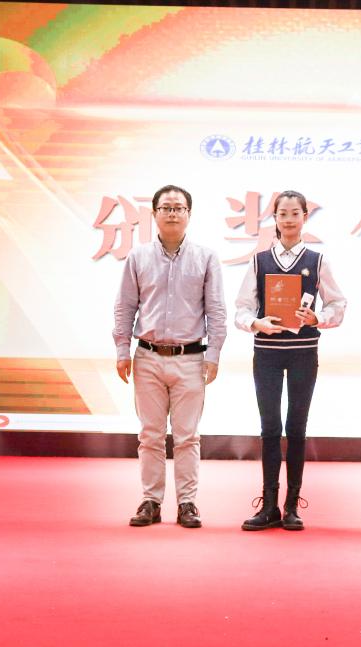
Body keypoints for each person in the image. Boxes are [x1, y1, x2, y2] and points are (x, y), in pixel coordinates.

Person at [113, 184, 227, 529]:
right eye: (166, 208)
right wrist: (122, 350)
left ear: (189, 214)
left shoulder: (206, 257)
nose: (172, 213)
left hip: (191, 358)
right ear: (154, 214)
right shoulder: (138, 257)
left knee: (187, 436)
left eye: (179, 208)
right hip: (147, 356)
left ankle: (187, 503)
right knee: (150, 434)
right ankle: (151, 500)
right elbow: (125, 306)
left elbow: (216, 310)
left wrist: (214, 354)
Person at [234, 190, 347, 531]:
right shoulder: (259, 261)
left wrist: (317, 318)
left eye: (295, 213)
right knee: (270, 428)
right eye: (282, 213)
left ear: (305, 217)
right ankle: (269, 504)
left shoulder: (317, 260)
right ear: (275, 218)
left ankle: (292, 506)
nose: (288, 219)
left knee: (297, 428)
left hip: (303, 353)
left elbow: (338, 304)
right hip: (266, 353)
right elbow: (241, 308)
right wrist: (256, 323)